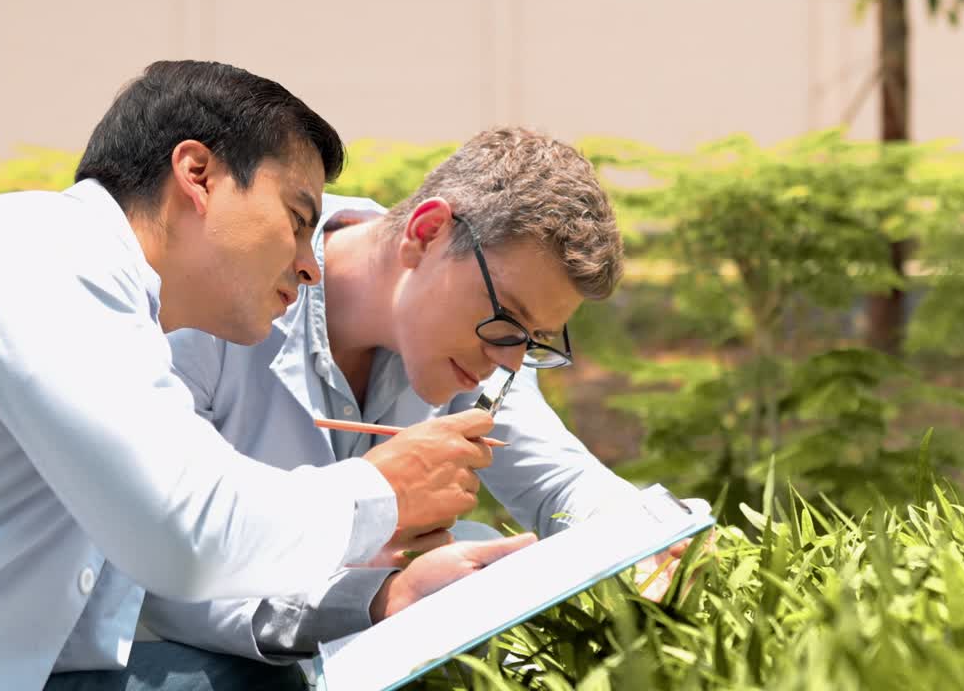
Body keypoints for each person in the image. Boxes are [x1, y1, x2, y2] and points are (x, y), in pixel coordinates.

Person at [0, 61, 519, 691]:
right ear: (198, 174)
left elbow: (197, 544)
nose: (310, 267)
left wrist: (378, 595)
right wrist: (384, 490)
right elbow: (189, 538)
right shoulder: (35, 253)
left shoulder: (127, 316)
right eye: (298, 219)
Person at [138, 127, 689, 673]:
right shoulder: (206, 300)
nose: (511, 362)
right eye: (509, 320)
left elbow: (559, 484)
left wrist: (645, 539)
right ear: (426, 234)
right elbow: (164, 572)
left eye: (534, 338)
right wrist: (380, 597)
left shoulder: (482, 341)